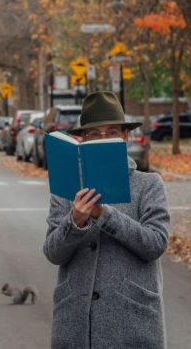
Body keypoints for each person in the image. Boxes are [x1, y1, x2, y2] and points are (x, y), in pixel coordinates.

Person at [43, 91, 170, 348]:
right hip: (75, 323)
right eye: (94, 134)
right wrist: (75, 222)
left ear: (124, 136)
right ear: (83, 140)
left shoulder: (149, 185)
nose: (103, 139)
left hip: (132, 322)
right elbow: (53, 253)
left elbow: (155, 244)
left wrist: (105, 214)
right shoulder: (66, 188)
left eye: (111, 132)